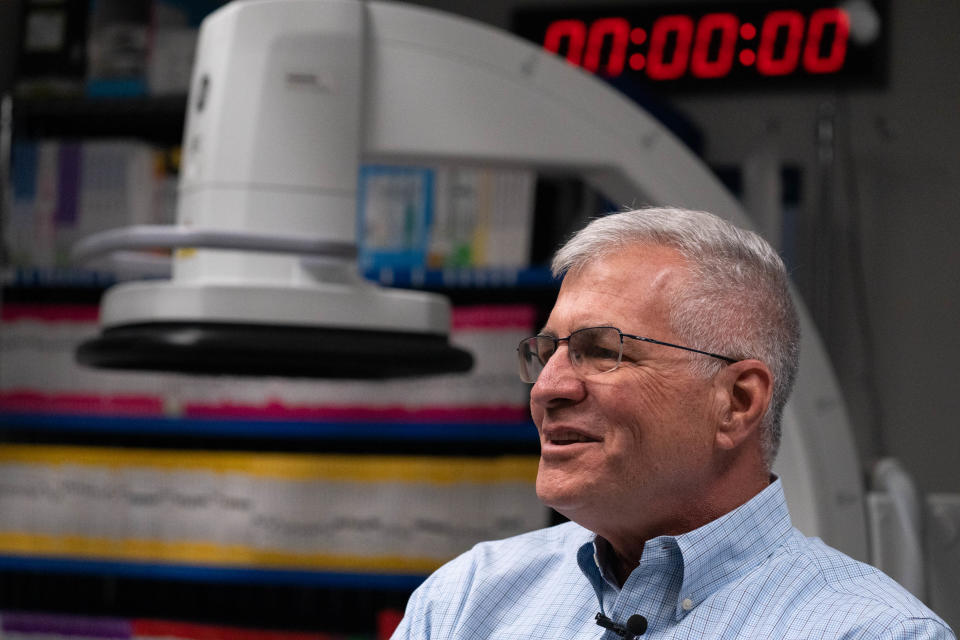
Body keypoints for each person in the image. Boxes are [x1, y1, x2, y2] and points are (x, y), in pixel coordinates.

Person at [390, 206, 954, 639]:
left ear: (736, 400)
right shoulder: (468, 603)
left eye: (600, 350)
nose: (547, 389)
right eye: (546, 351)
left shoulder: (868, 631)